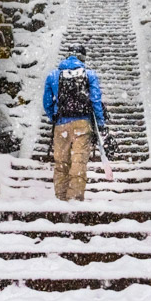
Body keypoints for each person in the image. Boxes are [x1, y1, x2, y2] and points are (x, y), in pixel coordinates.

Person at [42, 46, 106, 201]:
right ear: (82, 59)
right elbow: (96, 101)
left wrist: (55, 117)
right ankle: (74, 200)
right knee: (78, 162)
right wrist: (100, 123)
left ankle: (61, 198)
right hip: (82, 124)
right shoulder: (89, 75)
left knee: (61, 163)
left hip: (61, 125)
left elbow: (47, 102)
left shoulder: (53, 75)